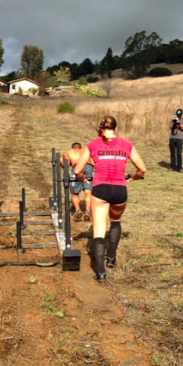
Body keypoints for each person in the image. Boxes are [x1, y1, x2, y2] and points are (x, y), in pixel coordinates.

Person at [75, 116, 146, 281]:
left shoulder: (92, 144)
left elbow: (78, 169)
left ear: (101, 129)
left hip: (101, 190)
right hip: (120, 189)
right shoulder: (126, 145)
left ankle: (100, 272)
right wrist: (134, 177)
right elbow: (142, 169)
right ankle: (112, 257)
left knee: (99, 230)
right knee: (116, 221)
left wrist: (81, 178)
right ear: (116, 128)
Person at [61, 143, 94, 222]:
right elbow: (93, 162)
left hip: (77, 167)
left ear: (72, 148)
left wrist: (60, 162)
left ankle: (78, 210)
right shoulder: (86, 151)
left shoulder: (68, 152)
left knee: (74, 193)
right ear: (80, 148)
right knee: (88, 192)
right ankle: (88, 211)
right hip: (89, 167)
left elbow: (65, 165)